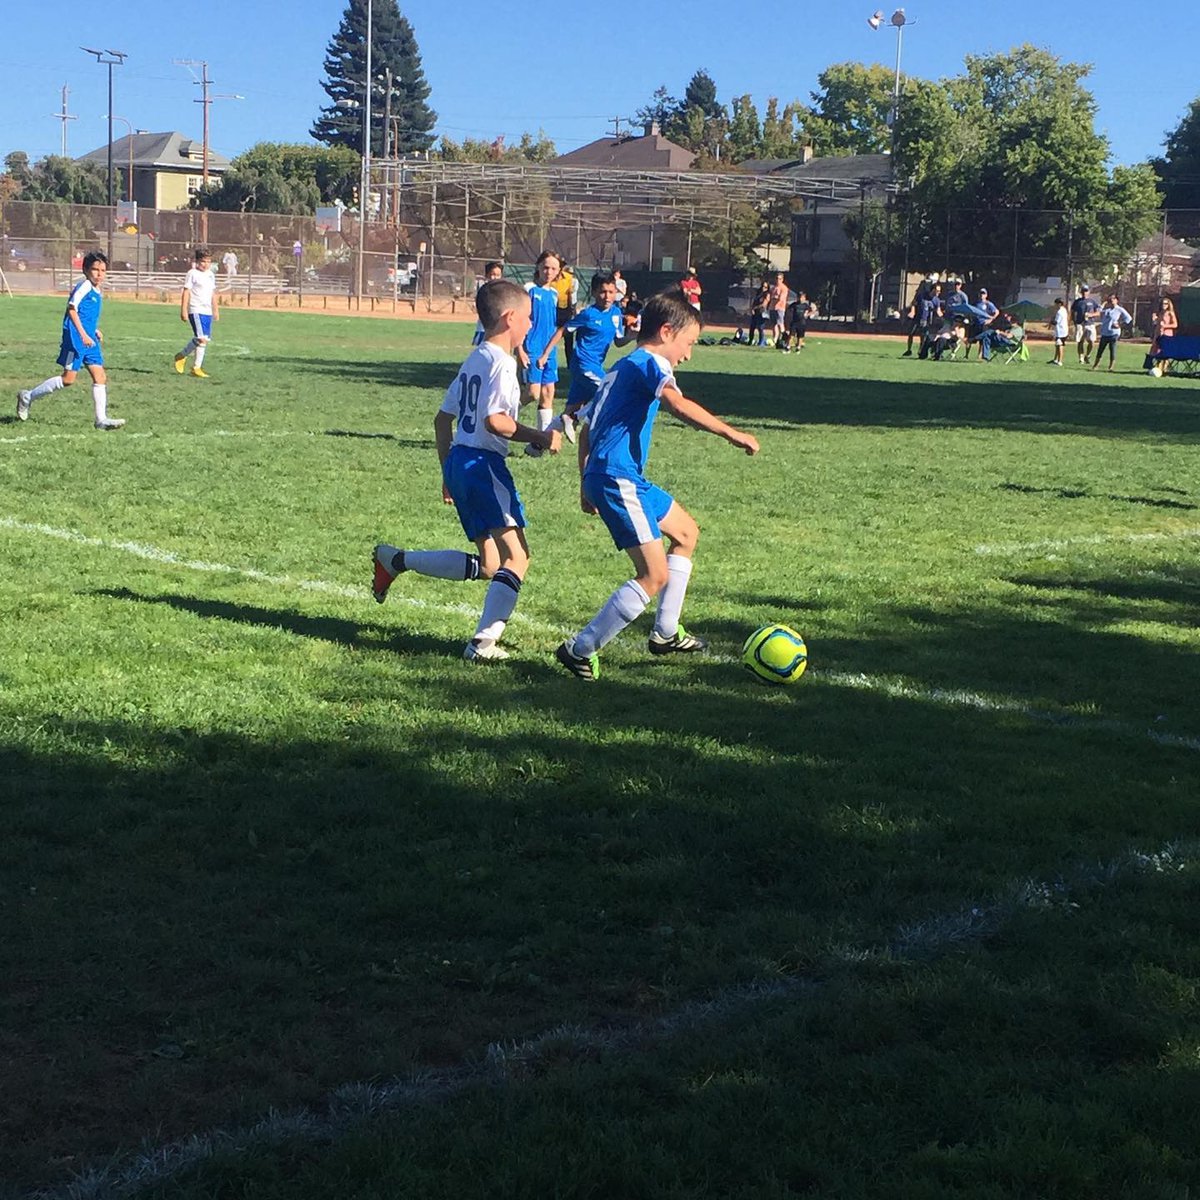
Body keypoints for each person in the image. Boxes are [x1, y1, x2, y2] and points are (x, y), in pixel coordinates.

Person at [554, 292, 760, 681]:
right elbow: (677, 405)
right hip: (618, 478)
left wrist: (585, 482)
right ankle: (580, 650)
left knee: (686, 533)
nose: (688, 354)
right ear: (667, 332)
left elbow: (586, 429)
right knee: (653, 575)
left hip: (617, 476)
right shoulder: (649, 362)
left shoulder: (621, 367)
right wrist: (732, 434)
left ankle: (665, 634)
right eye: (688, 343)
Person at [372, 279, 562, 662]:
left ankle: (395, 560)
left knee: (492, 564)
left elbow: (443, 420)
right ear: (510, 318)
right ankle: (482, 644)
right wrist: (540, 437)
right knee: (517, 557)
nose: (530, 326)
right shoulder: (502, 364)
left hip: (461, 461)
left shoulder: (475, 357)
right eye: (528, 318)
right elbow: (496, 421)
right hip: (483, 464)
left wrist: (447, 471)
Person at [15, 250, 124, 430]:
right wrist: (83, 334)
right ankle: (28, 397)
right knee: (68, 379)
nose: (99, 274)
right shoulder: (85, 287)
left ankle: (101, 420)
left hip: (89, 341)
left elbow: (84, 313)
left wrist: (94, 330)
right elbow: (72, 309)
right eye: (95, 270)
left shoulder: (97, 290)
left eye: (103, 270)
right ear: (86, 270)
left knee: (100, 376)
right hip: (74, 340)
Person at [537, 269, 633, 444]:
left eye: (611, 292)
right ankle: (575, 418)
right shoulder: (588, 314)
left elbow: (619, 341)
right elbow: (562, 331)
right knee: (610, 390)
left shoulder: (616, 315)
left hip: (595, 365)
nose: (607, 296)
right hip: (583, 364)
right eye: (603, 292)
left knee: (571, 407)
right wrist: (545, 354)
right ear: (595, 292)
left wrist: (632, 336)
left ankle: (536, 445)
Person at [519, 251, 563, 456]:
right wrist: (519, 348)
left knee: (547, 394)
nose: (549, 272)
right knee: (532, 393)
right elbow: (519, 319)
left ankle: (539, 445)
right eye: (546, 267)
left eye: (554, 268)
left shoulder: (554, 294)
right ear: (538, 267)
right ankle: (496, 417)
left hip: (549, 350)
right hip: (532, 348)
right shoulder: (529, 289)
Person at [173, 247, 219, 378]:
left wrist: (215, 309)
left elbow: (212, 293)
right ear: (197, 261)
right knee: (201, 339)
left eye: (208, 261)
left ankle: (181, 356)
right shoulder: (192, 273)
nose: (206, 264)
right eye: (203, 261)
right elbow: (186, 291)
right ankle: (196, 368)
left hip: (207, 311)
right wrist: (184, 310)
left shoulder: (210, 275)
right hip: (196, 309)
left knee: (203, 339)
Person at [1091, 293, 1133, 372]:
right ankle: (1095, 365)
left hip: (1114, 333)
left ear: (1117, 300)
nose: (1112, 300)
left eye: (1113, 299)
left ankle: (1111, 367)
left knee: (1112, 348)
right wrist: (1103, 304)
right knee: (1100, 349)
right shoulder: (1106, 310)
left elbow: (1129, 318)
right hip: (1105, 333)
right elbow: (1099, 312)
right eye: (1110, 299)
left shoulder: (1119, 309)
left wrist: (1120, 324)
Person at [903, 272, 939, 356]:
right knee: (911, 333)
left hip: (925, 320)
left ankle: (921, 350)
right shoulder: (921, 295)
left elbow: (938, 310)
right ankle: (909, 349)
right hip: (917, 317)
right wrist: (912, 311)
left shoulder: (935, 300)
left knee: (923, 336)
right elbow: (914, 303)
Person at [472, 261, 504, 346]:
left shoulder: (504, 291)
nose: (495, 278)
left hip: (499, 329)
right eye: (492, 274)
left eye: (498, 275)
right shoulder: (484, 290)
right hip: (484, 328)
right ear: (487, 275)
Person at [553, 259, 577, 365]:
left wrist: (571, 310)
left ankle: (570, 363)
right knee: (551, 336)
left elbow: (569, 295)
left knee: (568, 338)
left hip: (565, 310)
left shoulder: (568, 278)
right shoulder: (550, 278)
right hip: (552, 310)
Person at [1070, 284, 1100, 365]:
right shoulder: (1077, 302)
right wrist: (1074, 321)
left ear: (1088, 292)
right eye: (1083, 291)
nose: (1084, 293)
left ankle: (1088, 355)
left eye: (1086, 291)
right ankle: (1081, 358)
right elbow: (1072, 312)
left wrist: (1091, 315)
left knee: (1092, 341)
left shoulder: (1092, 301)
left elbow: (1098, 313)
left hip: (1090, 323)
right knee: (1080, 341)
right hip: (1080, 324)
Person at [1150, 297, 1178, 373]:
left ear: (1169, 305)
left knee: (1165, 352)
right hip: (1158, 334)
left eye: (1166, 303)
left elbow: (1175, 325)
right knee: (1156, 351)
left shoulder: (1170, 313)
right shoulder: (1160, 313)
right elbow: (1157, 325)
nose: (1164, 305)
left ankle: (1164, 369)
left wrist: (1165, 326)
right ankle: (1156, 368)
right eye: (1163, 303)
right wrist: (1155, 320)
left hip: (1167, 335)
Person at [768, 273, 789, 348]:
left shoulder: (784, 288)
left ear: (782, 280)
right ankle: (775, 340)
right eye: (777, 278)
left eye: (779, 279)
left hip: (779, 308)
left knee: (780, 323)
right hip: (772, 308)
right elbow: (770, 297)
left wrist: (775, 298)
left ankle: (785, 339)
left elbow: (781, 298)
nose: (778, 280)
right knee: (773, 324)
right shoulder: (773, 288)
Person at [1050, 298, 1069, 366]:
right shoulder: (1064, 310)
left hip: (1060, 331)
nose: (1055, 305)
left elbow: (1056, 322)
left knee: (1060, 345)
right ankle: (1055, 360)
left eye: (1056, 304)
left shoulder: (1060, 312)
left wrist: (1051, 321)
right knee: (1057, 345)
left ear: (1059, 304)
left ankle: (1060, 361)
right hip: (1064, 330)